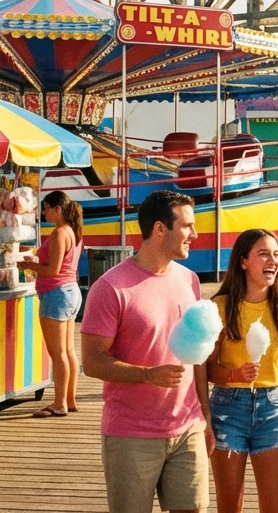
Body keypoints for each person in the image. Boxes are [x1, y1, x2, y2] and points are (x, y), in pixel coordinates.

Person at [81, 190, 213, 513]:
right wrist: (148, 375)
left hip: (187, 428)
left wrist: (206, 416)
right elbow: (92, 361)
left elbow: (198, 360)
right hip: (130, 434)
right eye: (187, 226)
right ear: (159, 229)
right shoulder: (110, 288)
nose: (194, 235)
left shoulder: (190, 281)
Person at [206, 229, 278, 513]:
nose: (272, 260)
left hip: (272, 410)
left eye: (275, 254)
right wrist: (235, 375)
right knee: (229, 507)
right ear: (243, 262)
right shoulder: (220, 307)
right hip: (227, 409)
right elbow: (206, 368)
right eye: (263, 254)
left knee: (274, 508)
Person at [17, 190, 84, 416]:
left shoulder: (59, 234)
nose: (43, 212)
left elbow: (52, 270)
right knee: (68, 351)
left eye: (46, 208)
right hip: (70, 291)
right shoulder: (73, 231)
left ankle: (59, 404)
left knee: (58, 354)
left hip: (56, 294)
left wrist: (29, 265)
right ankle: (70, 399)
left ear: (58, 209)